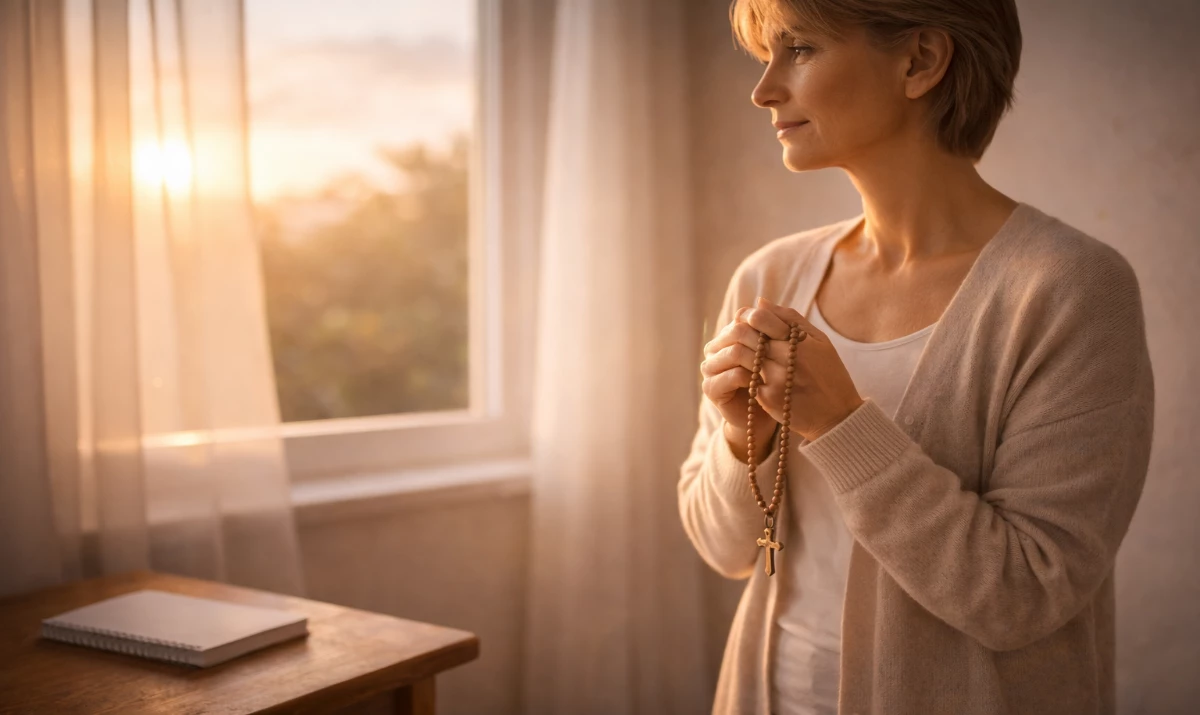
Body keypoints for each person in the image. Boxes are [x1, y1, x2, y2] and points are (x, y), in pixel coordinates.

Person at [677, 1, 1156, 714]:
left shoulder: (1071, 291)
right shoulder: (768, 279)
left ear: (920, 61)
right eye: (765, 57)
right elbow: (725, 547)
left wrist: (841, 425)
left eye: (799, 49)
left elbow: (1025, 593)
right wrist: (748, 439)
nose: (764, 88)